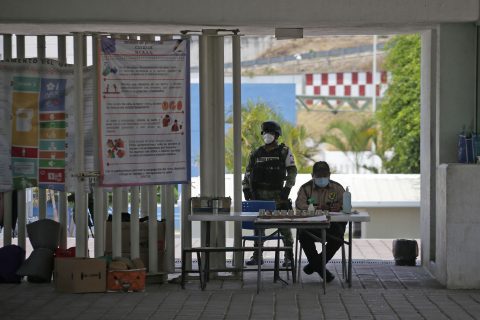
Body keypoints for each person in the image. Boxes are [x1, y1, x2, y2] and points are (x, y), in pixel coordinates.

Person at [242, 120, 297, 266]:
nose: (267, 135)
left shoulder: (284, 151)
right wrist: (246, 188)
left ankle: (289, 256)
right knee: (258, 228)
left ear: (276, 135)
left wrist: (288, 188)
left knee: (284, 227)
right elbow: (247, 173)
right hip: (258, 196)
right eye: (265, 132)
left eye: (270, 133)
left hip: (278, 196)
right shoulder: (256, 153)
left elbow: (292, 171)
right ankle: (257, 255)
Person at [295, 161, 346, 283]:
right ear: (312, 175)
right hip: (311, 225)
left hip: (332, 225)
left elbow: (346, 205)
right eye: (319, 176)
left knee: (338, 238)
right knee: (302, 235)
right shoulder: (305, 188)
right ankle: (322, 270)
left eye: (325, 175)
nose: (322, 178)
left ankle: (313, 266)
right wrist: (316, 208)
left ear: (329, 175)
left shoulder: (338, 188)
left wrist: (339, 207)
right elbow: (300, 205)